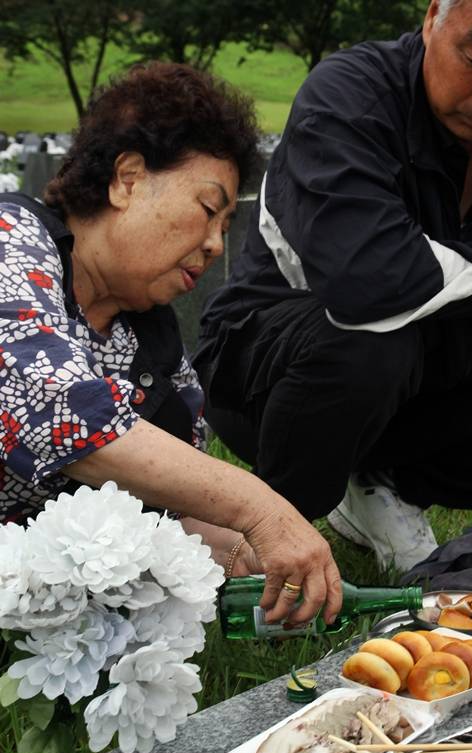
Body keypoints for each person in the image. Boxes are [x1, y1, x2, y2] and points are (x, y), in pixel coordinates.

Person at [195, 0, 472, 572]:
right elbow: (365, 278)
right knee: (371, 340)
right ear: (435, 16)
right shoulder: (347, 96)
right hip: (266, 375)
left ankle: (385, 489)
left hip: (426, 383)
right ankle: (268, 531)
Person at [0, 62, 342, 628]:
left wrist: (249, 557)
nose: (212, 244)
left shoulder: (151, 346)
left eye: (225, 228)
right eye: (208, 210)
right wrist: (260, 508)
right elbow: (56, 412)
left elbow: (166, 511)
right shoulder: (13, 244)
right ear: (127, 178)